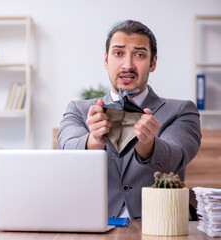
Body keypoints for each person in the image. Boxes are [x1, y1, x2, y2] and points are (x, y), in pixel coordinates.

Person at [58, 20, 201, 220]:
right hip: (95, 226)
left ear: (153, 63)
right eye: (118, 53)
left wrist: (148, 144)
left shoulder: (181, 110)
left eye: (139, 55)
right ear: (106, 60)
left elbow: (174, 159)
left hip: (159, 225)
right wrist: (94, 141)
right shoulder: (79, 110)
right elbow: (65, 155)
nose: (128, 65)